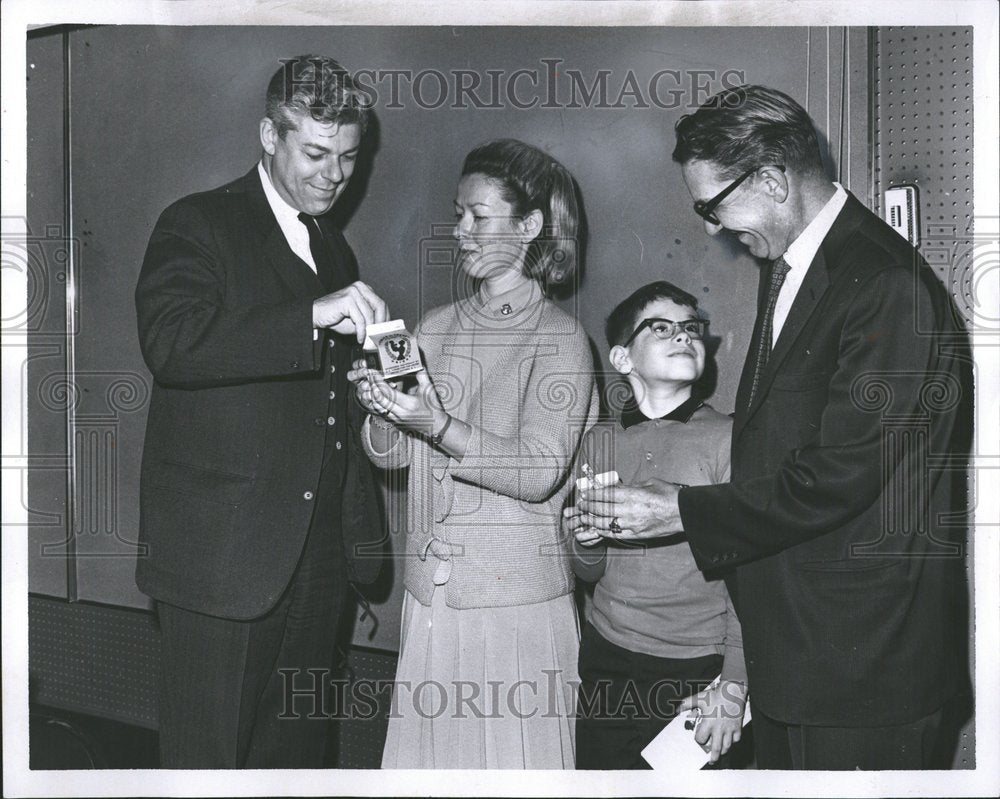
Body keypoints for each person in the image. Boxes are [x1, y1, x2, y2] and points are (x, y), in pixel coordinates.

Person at [573, 85, 965, 770]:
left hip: (861, 672)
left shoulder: (883, 284)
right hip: (799, 659)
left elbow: (840, 474)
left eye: (713, 207)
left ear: (774, 180)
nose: (712, 230)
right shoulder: (793, 269)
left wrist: (683, 509)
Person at [134, 55, 388, 768]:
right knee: (207, 762)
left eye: (347, 156)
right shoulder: (198, 222)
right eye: (315, 152)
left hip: (315, 562)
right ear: (267, 137)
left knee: (296, 760)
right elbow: (173, 344)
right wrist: (311, 314)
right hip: (221, 564)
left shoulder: (334, 247)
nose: (334, 175)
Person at [349, 139, 598, 769]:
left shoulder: (562, 341)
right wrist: (382, 413)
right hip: (431, 600)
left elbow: (538, 472)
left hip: (514, 602)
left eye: (477, 216)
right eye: (458, 213)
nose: (460, 229)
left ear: (530, 227)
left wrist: (437, 423)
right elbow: (395, 459)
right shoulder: (432, 327)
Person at [567, 280, 747, 770]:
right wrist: (584, 541)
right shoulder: (599, 441)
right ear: (623, 359)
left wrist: (734, 683)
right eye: (662, 328)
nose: (684, 336)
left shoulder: (729, 440)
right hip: (606, 655)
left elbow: (751, 577)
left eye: (691, 328)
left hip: (696, 667)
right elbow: (588, 573)